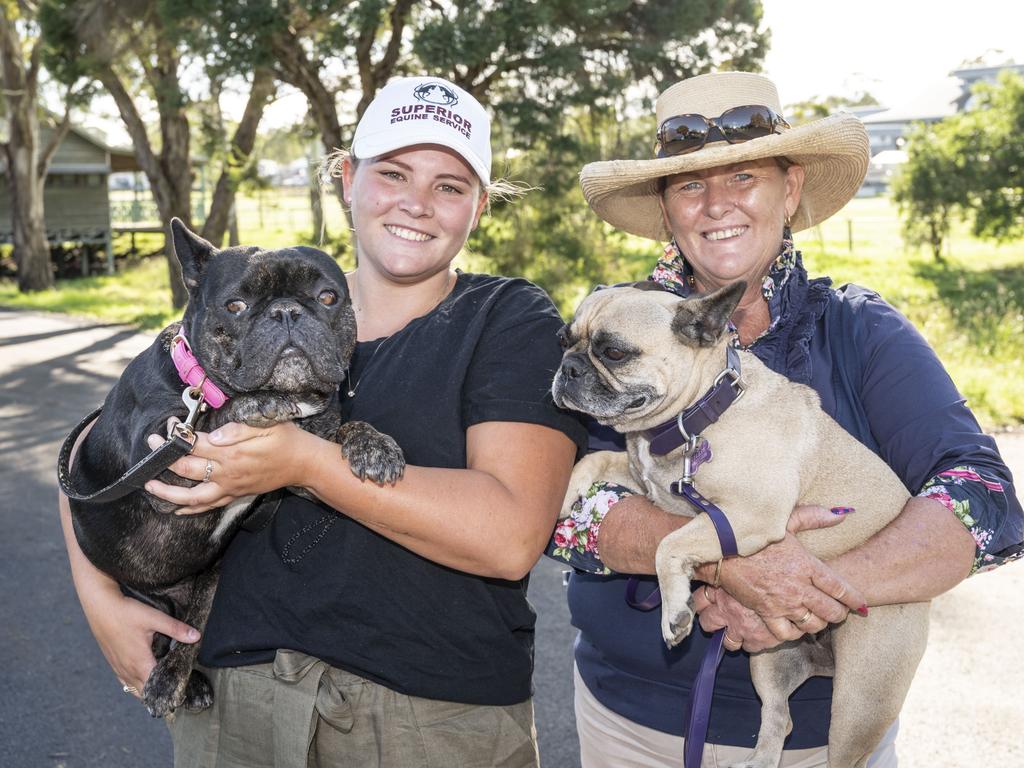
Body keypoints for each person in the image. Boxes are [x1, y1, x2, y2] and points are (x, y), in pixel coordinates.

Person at [59, 75, 587, 768]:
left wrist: (305, 463)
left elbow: (511, 536)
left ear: (480, 207)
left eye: (450, 186)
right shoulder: (242, 309)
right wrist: (98, 595)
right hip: (237, 701)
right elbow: (105, 445)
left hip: (430, 715)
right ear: (347, 177)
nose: (417, 204)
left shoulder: (507, 320)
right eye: (393, 173)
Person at [546, 71, 1024, 767]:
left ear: (790, 189)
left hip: (817, 743)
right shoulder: (615, 326)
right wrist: (728, 565)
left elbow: (982, 497)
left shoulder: (861, 331)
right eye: (689, 185)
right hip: (628, 726)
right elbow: (562, 513)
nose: (716, 205)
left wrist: (809, 589)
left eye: (743, 177)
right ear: (666, 208)